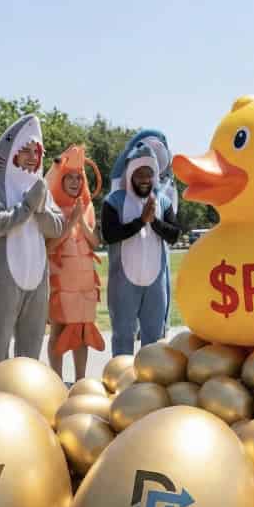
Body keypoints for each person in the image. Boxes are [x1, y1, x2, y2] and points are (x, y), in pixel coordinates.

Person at [0, 114, 63, 371]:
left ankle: (26, 393)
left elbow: (57, 227)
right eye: (26, 150)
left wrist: (39, 210)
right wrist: (26, 207)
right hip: (2, 280)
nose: (33, 157)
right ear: (11, 150)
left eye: (37, 151)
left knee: (31, 351)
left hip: (37, 279)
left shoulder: (40, 184)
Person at [102, 137, 181, 355]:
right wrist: (140, 222)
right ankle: (121, 375)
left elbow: (174, 234)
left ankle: (150, 377)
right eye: (140, 174)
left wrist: (153, 221)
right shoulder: (114, 201)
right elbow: (109, 235)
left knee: (154, 340)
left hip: (155, 284)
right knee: (123, 336)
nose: (145, 179)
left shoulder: (162, 201)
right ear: (130, 174)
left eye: (149, 174)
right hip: (123, 283)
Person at [44, 145, 105, 381]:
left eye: (78, 178)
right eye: (69, 177)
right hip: (61, 280)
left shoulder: (87, 207)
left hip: (84, 282)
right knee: (58, 330)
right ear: (60, 179)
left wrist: (81, 221)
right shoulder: (50, 208)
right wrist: (70, 224)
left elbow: (94, 242)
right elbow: (48, 247)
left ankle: (81, 380)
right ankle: (56, 380)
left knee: (82, 331)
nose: (74, 182)